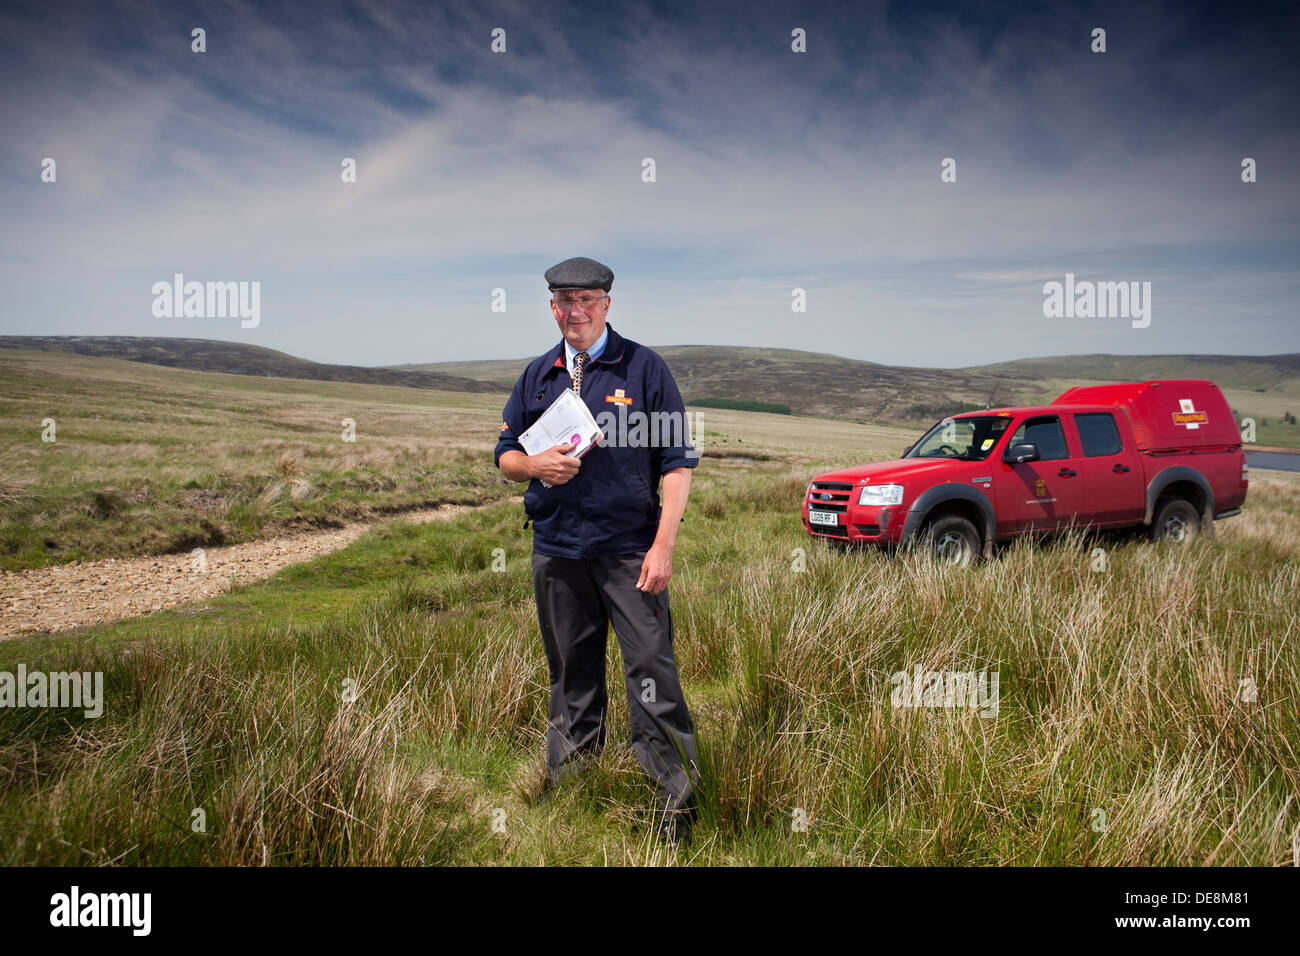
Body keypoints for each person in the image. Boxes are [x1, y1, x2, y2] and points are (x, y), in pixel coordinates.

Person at [493, 256, 700, 844]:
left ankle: (674, 810)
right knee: (571, 676)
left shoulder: (643, 369)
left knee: (651, 673)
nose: (575, 310)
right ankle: (573, 796)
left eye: (586, 299)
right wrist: (531, 465)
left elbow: (677, 465)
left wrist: (662, 547)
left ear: (607, 304)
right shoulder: (538, 375)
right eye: (563, 300)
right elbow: (505, 453)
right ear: (552, 307)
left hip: (630, 552)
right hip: (557, 553)